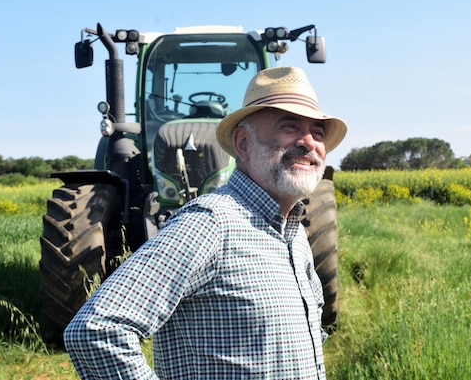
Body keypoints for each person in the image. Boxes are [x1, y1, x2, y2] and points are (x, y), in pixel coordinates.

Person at [63, 66, 348, 379]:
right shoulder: (210, 224)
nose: (309, 142)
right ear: (242, 143)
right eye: (289, 126)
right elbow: (97, 330)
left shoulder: (295, 235)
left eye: (318, 133)